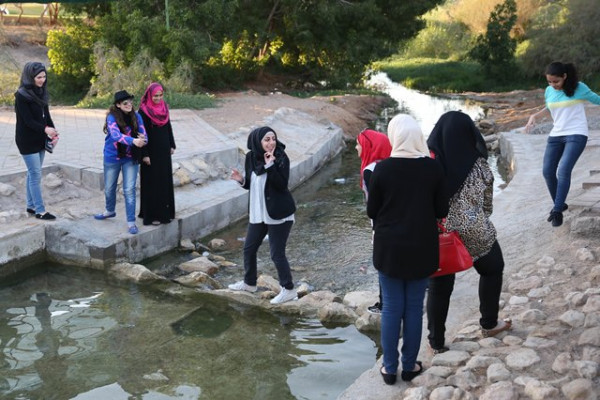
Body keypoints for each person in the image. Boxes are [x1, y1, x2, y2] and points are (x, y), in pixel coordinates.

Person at [367, 114, 448, 384]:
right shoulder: (433, 168)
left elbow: (372, 210)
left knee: (391, 308)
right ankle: (410, 365)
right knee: (414, 308)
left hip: (389, 247)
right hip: (422, 247)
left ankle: (389, 369)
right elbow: (441, 210)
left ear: (394, 136)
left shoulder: (383, 169)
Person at [426, 111, 511, 355]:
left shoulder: (429, 164)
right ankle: (489, 323)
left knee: (439, 285)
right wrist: (474, 216)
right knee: (493, 268)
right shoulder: (479, 165)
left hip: (439, 232)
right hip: (474, 228)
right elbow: (487, 205)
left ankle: (436, 343)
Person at [227, 126, 298, 305]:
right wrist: (241, 180)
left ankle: (289, 289)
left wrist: (270, 165)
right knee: (249, 248)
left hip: (278, 214)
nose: (271, 143)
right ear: (257, 142)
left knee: (277, 254)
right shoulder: (252, 157)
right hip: (259, 213)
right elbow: (253, 183)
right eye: (266, 139)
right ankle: (249, 283)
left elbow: (281, 185)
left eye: (273, 138)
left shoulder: (281, 157)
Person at [525, 62, 600, 227]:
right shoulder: (549, 91)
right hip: (556, 135)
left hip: (577, 134)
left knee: (564, 169)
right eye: (549, 82)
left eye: (556, 82)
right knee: (547, 172)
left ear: (564, 76)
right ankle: (561, 203)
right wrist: (534, 116)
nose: (553, 85)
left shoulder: (579, 88)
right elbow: (550, 107)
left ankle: (557, 210)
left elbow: (597, 100)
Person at [94, 90, 147, 234]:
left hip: (131, 158)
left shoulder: (136, 117)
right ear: (118, 105)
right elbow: (116, 136)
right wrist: (133, 140)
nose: (129, 105)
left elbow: (144, 135)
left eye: (130, 102)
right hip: (112, 157)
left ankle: (131, 222)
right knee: (110, 188)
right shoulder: (112, 117)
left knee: (129, 190)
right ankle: (109, 210)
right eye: (125, 103)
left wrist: (143, 139)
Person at [14, 61, 59, 220]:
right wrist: (45, 130)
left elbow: (46, 116)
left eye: (44, 77)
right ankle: (40, 210)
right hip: (26, 139)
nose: (42, 80)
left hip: (40, 137)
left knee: (32, 173)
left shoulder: (41, 92)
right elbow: (27, 120)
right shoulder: (21, 95)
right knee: (35, 174)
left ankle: (31, 206)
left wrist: (54, 133)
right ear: (29, 77)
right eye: (38, 77)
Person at [355, 129, 391, 314]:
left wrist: (375, 230)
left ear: (369, 146)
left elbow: (374, 207)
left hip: (382, 226)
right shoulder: (391, 164)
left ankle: (384, 303)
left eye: (359, 143)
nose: (356, 147)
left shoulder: (370, 170)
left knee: (382, 264)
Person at [137, 82, 176, 226]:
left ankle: (165, 214)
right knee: (151, 183)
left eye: (160, 95)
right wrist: (144, 154)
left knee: (164, 181)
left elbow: (168, 127)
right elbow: (140, 134)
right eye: (155, 96)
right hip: (151, 152)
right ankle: (151, 216)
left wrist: (172, 144)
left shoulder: (164, 107)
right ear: (149, 95)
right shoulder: (143, 111)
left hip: (164, 151)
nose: (158, 98)